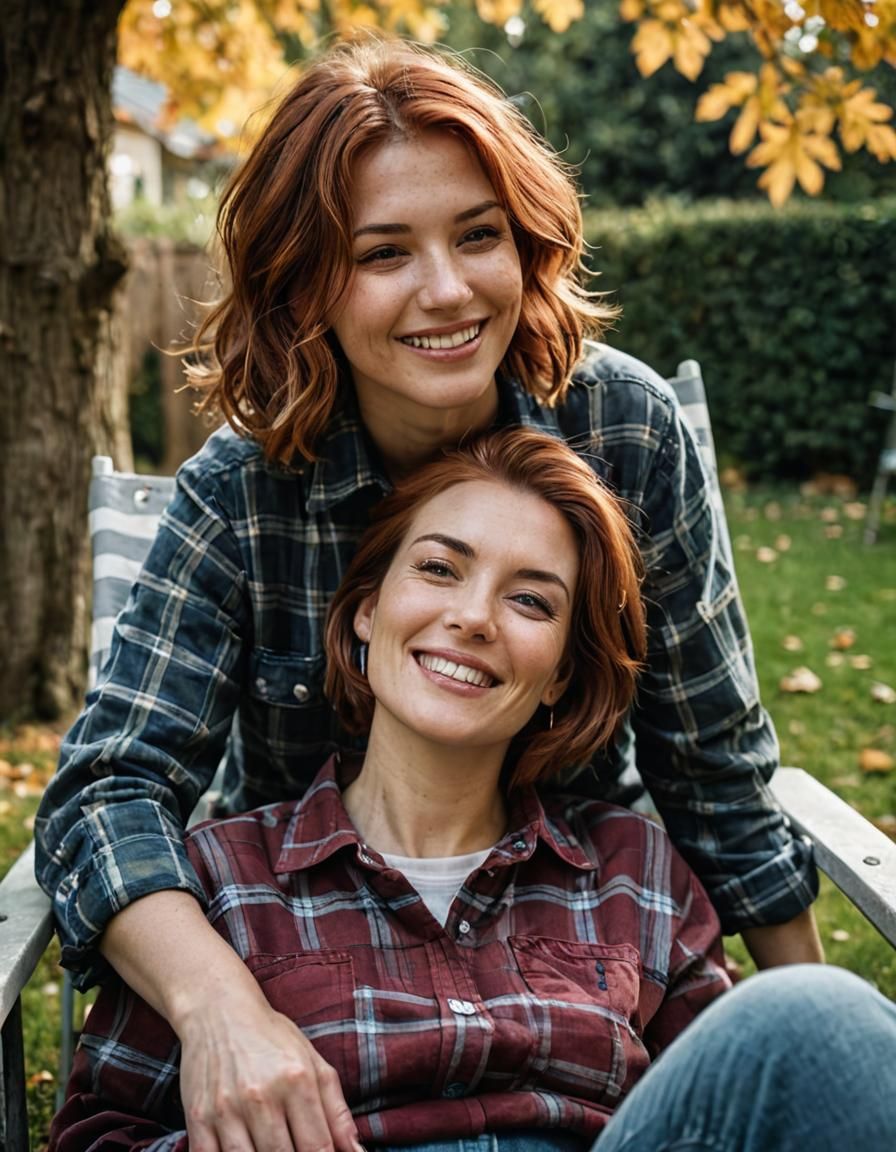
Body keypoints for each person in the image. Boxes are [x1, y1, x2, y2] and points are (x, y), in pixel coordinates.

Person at [36, 35, 823, 1152]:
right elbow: (108, 790)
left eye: (478, 236)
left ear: (526, 243)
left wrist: (812, 1030)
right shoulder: (243, 496)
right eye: (382, 253)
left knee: (825, 1028)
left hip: (561, 941)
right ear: (307, 282)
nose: (446, 291)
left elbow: (715, 775)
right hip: (312, 974)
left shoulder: (623, 438)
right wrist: (224, 1011)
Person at [47, 431, 896, 1152]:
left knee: (816, 1018)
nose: (476, 617)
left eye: (530, 599)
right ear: (367, 611)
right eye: (441, 569)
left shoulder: (634, 875)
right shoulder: (214, 890)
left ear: (562, 671)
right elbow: (98, 1131)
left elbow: (729, 1111)